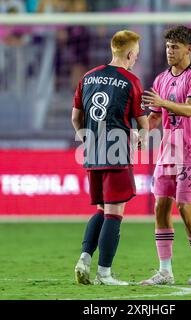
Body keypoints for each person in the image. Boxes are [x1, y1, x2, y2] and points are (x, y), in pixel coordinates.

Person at [71, 30, 148, 286]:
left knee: (102, 210)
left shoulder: (88, 76)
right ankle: (104, 273)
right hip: (117, 153)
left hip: (92, 153)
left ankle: (84, 257)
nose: (136, 57)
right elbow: (143, 123)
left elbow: (75, 117)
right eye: (136, 53)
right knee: (115, 213)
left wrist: (86, 138)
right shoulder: (131, 81)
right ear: (129, 53)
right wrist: (141, 138)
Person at [140, 25, 191, 286]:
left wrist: (162, 103)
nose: (170, 51)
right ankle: (165, 271)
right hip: (167, 152)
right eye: (168, 46)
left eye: (175, 47)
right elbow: (156, 116)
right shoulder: (161, 79)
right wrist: (141, 130)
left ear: (188, 49)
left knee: (184, 208)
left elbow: (190, 110)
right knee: (160, 208)